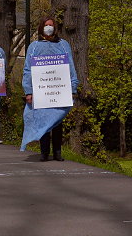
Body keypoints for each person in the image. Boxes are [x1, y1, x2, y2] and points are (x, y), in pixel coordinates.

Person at [21, 16, 79, 161]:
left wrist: (72, 88)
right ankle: (44, 152)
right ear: (41, 27)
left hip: (59, 91)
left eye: (51, 25)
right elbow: (27, 70)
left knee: (57, 122)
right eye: (46, 25)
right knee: (43, 121)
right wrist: (28, 91)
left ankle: (57, 152)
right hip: (41, 91)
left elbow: (70, 66)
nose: (49, 27)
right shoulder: (33, 47)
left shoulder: (63, 44)